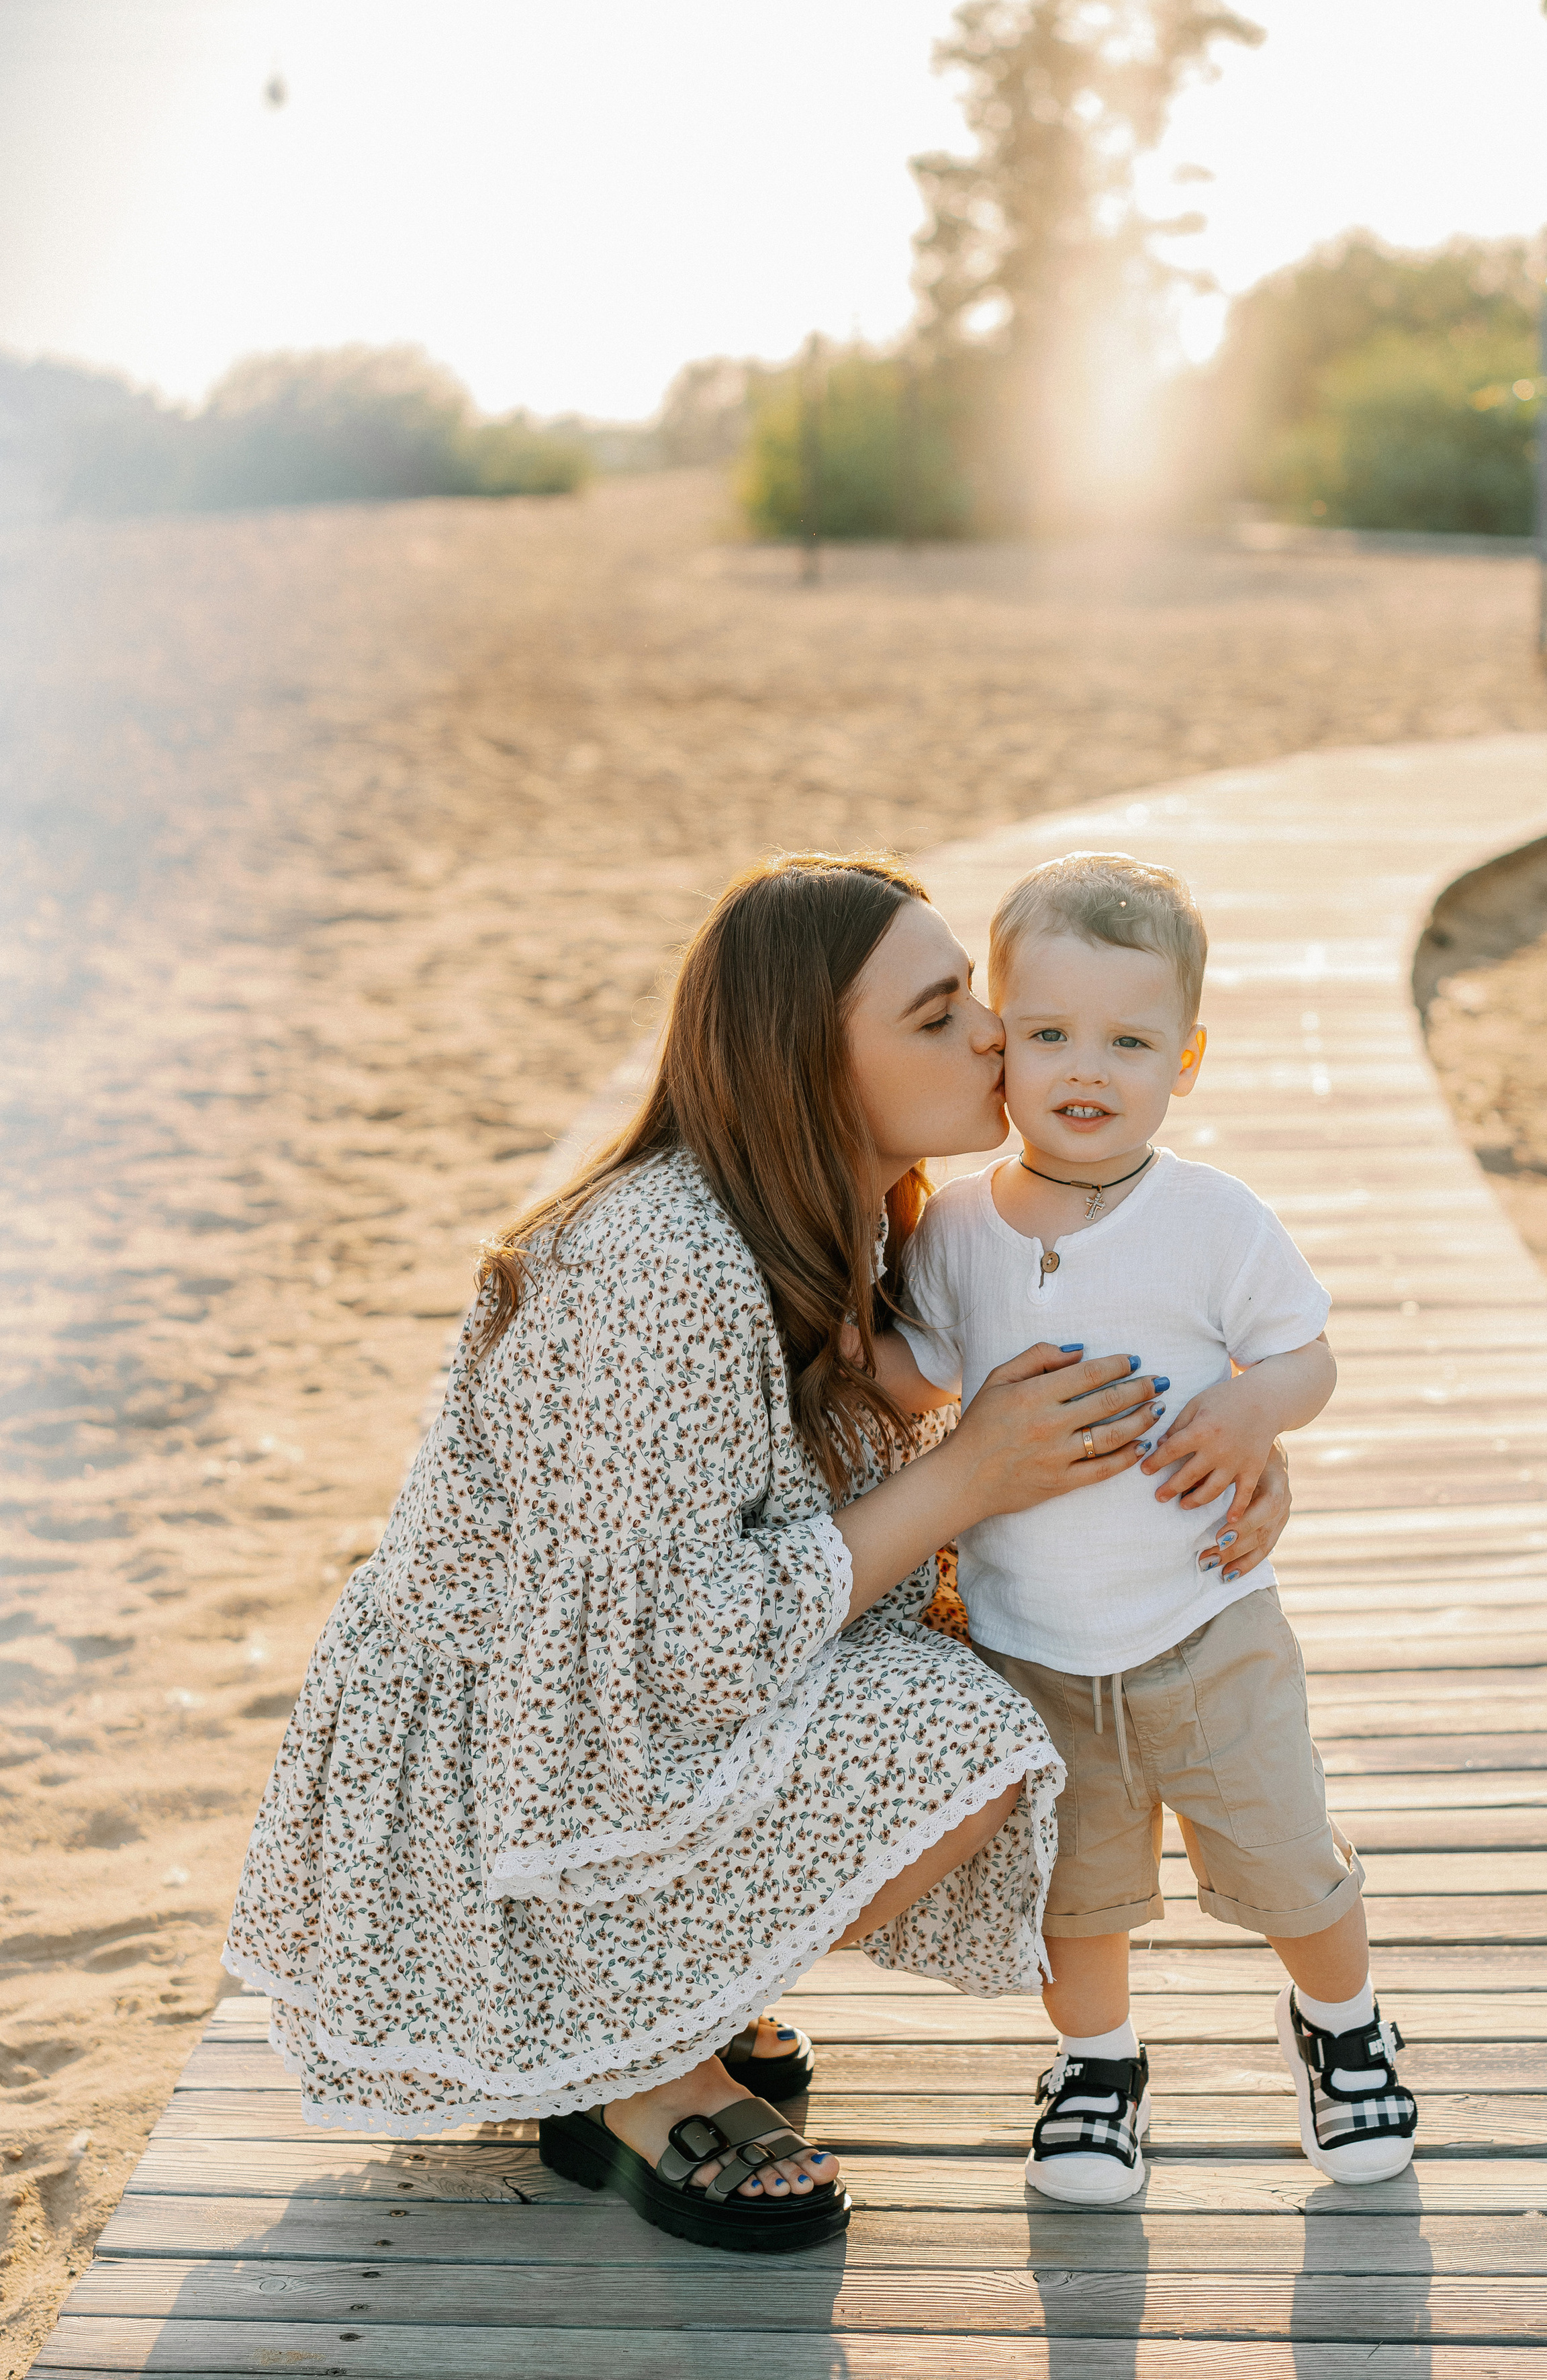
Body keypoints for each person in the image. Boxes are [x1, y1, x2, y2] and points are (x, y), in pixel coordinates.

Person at [222, 852, 1295, 2254]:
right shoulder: (657, 1263)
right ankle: (634, 2065)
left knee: (999, 1679)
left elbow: (1095, 1348)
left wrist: (1229, 1439)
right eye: (932, 1016)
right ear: (807, 1066)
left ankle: (667, 1994)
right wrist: (971, 1473)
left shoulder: (856, 1220)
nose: (989, 1033)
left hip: (592, 1719)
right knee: (963, 1738)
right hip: (498, 1784)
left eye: (969, 994)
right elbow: (662, 1646)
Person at [864, 852, 1419, 2201]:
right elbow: (915, 1375)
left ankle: (1342, 2027)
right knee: (1074, 1892)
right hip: (1030, 1644)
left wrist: (1252, 1410)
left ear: (1186, 1057)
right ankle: (1097, 2065)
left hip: (1201, 1624)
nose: (1084, 1070)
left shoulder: (1209, 1220)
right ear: (998, 1042)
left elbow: (1307, 1355)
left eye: (1127, 1040)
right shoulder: (956, 1234)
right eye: (1048, 1034)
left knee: (1285, 1857)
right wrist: (832, 1316)